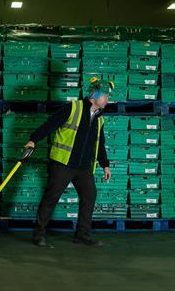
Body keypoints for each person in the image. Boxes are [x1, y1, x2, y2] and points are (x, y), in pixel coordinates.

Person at [25, 77, 114, 247]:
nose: (107, 100)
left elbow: (99, 143)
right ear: (95, 95)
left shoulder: (99, 119)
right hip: (63, 164)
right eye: (106, 96)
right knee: (51, 197)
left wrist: (105, 165)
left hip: (83, 168)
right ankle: (39, 233)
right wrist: (33, 140)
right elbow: (50, 124)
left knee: (89, 196)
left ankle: (82, 234)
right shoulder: (73, 108)